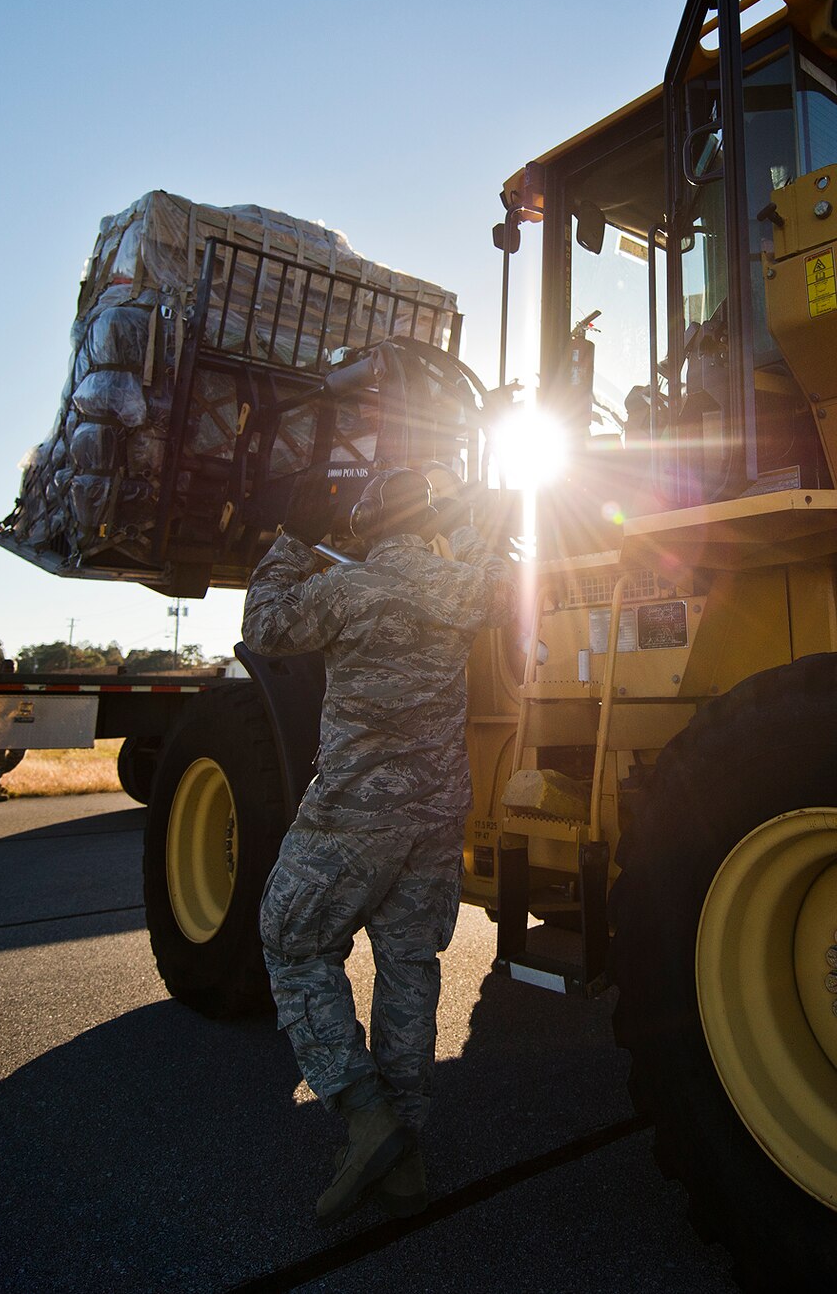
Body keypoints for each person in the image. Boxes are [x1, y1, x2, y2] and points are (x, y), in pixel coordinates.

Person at [243, 465, 511, 1225]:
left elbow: (262, 625)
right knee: (408, 967)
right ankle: (406, 1153)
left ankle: (366, 1113)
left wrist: (293, 541)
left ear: (364, 528)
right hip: (435, 821)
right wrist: (462, 523)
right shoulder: (459, 585)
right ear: (427, 522)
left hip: (357, 814)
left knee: (290, 939)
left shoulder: (346, 590)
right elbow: (502, 576)